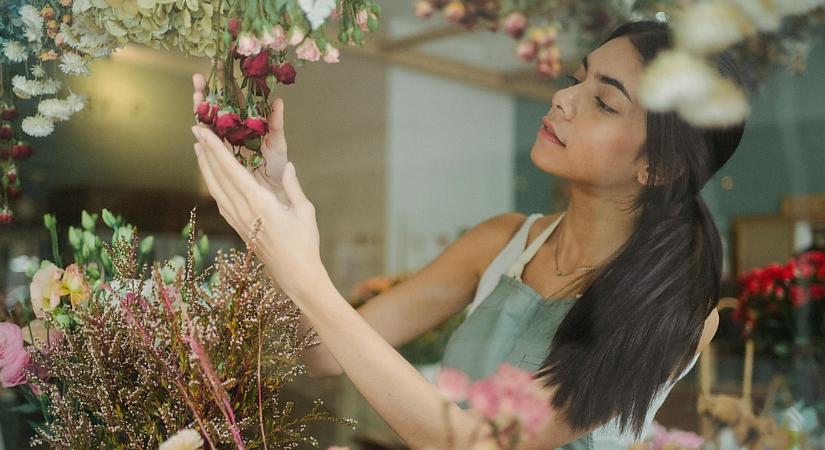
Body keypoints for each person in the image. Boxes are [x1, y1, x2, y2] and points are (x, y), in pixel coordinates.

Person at [191, 19, 744, 450]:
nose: (562, 98)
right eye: (579, 78)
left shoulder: (675, 314)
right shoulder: (502, 242)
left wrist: (305, 271)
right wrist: (267, 214)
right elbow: (322, 355)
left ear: (660, 168)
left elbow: (475, 442)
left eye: (604, 101)